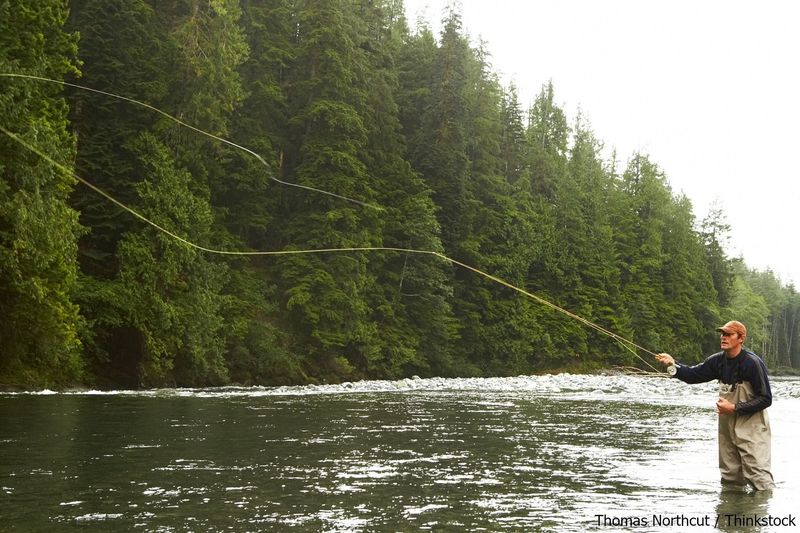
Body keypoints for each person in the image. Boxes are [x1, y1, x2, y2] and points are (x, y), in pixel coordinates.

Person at [656, 320, 775, 491]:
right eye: (722, 334)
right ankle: (730, 514)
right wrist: (673, 365)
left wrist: (734, 408)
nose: (723, 337)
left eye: (729, 334)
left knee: (758, 476)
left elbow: (766, 398)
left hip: (752, 427)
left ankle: (759, 514)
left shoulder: (752, 363)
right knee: (730, 476)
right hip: (727, 427)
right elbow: (692, 375)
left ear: (741, 338)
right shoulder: (717, 361)